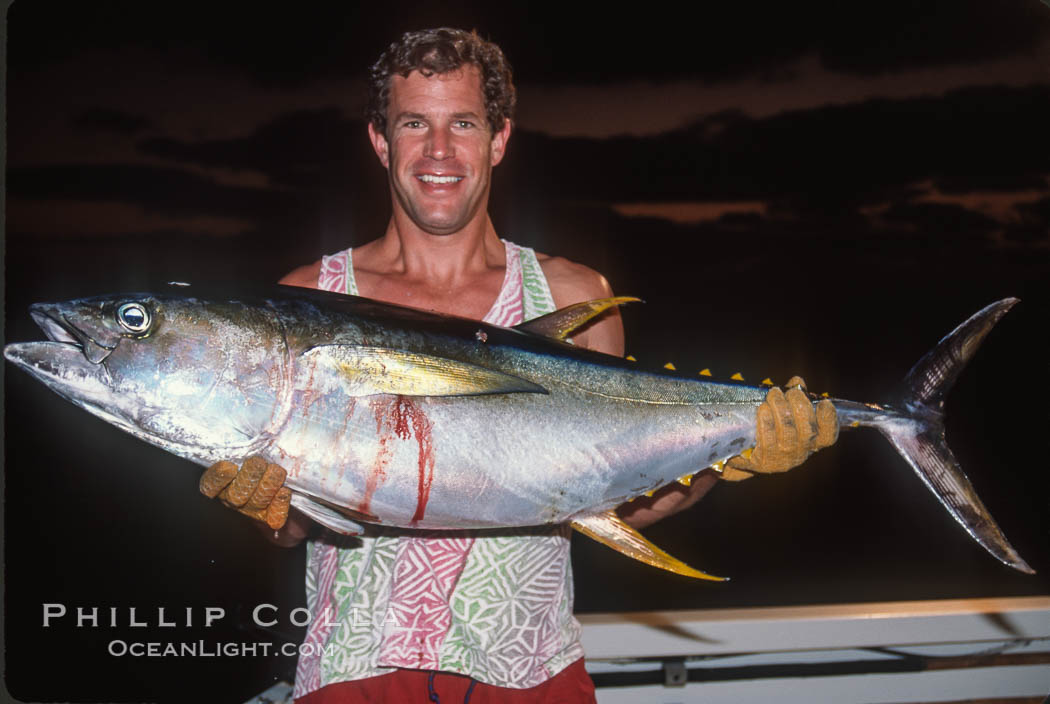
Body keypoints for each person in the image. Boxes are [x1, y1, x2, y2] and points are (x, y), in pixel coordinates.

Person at [202, 28, 837, 703]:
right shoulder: (311, 297)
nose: (438, 150)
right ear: (380, 141)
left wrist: (726, 462)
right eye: (414, 123)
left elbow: (613, 498)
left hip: (532, 675)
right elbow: (293, 524)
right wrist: (267, 509)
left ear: (498, 140)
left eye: (463, 124)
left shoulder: (575, 297)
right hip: (353, 674)